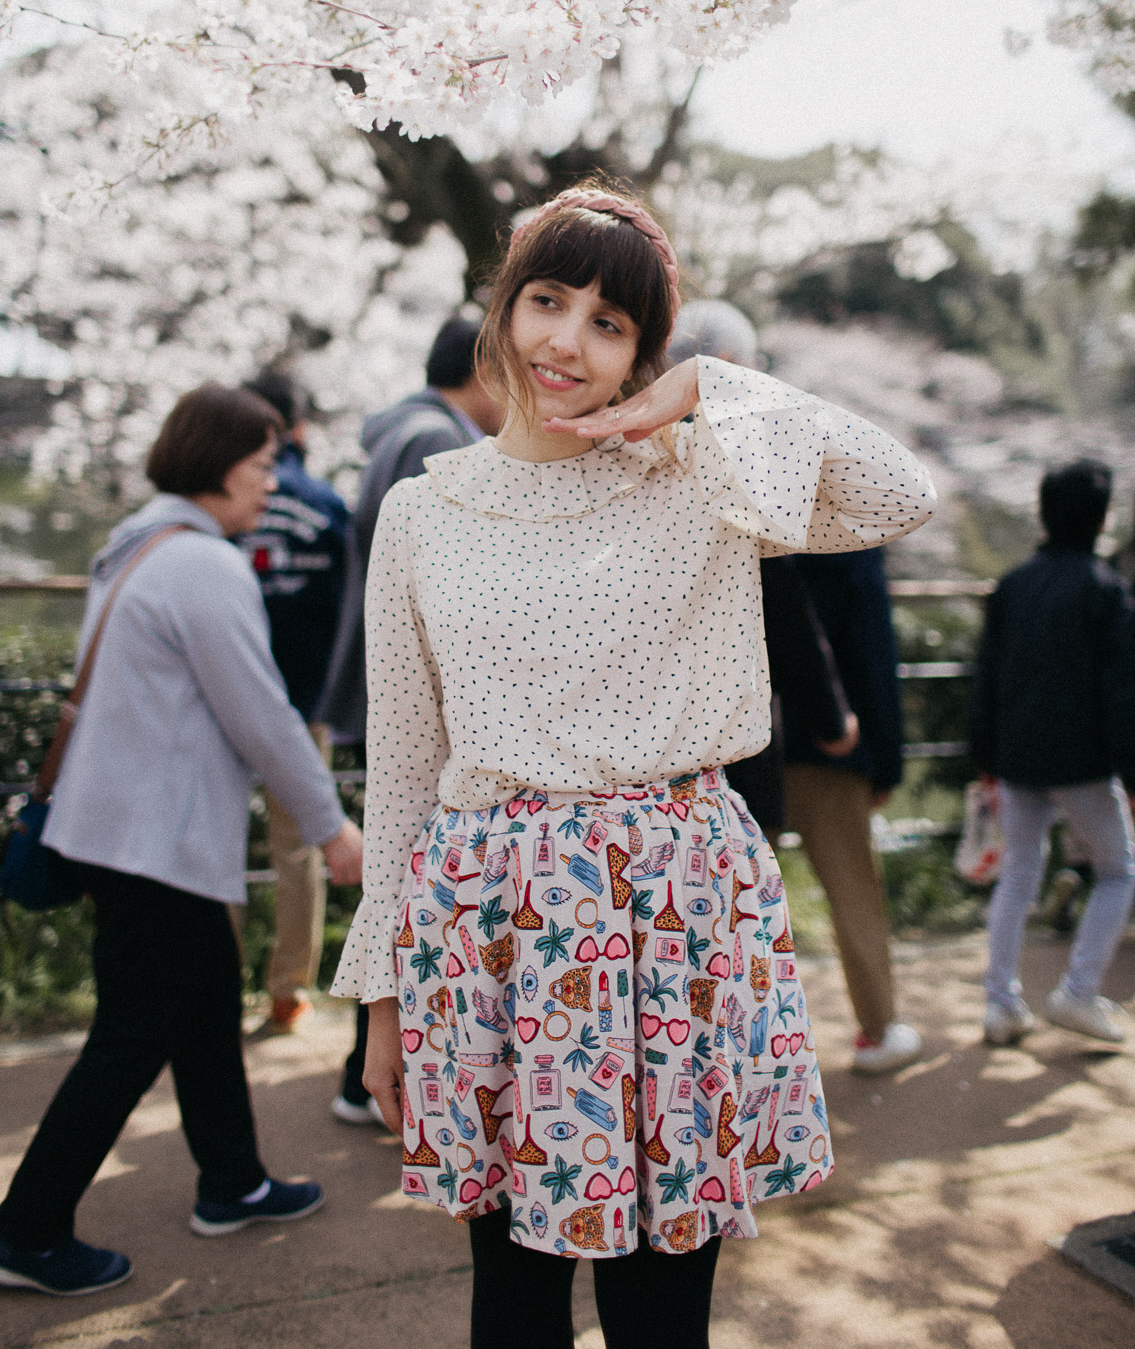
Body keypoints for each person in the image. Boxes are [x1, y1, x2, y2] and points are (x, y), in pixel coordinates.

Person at [332, 183, 936, 1349]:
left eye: (609, 323)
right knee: (511, 1294)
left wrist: (711, 388)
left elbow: (895, 490)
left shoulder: (699, 476)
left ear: (640, 356)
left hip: (680, 914)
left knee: (665, 1303)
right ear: (500, 311)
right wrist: (383, 999)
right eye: (547, 301)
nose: (566, 340)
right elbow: (403, 769)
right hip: (494, 928)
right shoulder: (422, 509)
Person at [0, 385, 363, 1300]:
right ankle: (27, 1228)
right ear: (216, 465)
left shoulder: (136, 543)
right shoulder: (202, 566)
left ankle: (231, 1179)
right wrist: (329, 825)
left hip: (125, 831)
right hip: (153, 842)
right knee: (128, 1038)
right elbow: (266, 717)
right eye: (259, 466)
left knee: (202, 1007)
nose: (270, 484)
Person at [321, 315, 502, 1125]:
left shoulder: (402, 427)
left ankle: (365, 1064)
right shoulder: (431, 445)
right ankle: (371, 1067)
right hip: (406, 688)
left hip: (390, 679)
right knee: (410, 853)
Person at [669, 301, 858, 838]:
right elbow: (783, 608)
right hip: (728, 734)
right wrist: (831, 717)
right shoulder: (738, 459)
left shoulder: (624, 450)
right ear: (726, 363)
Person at [971, 459, 1135, 1047]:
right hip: (1083, 763)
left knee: (1018, 875)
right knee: (1118, 871)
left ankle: (1000, 1003)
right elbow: (1122, 692)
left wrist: (984, 754)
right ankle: (1079, 991)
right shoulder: (1104, 589)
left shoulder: (1014, 584)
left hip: (1016, 759)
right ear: (1101, 517)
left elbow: (984, 674)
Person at [781, 549, 924, 1074]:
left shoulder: (749, 526)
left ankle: (728, 1047)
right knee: (853, 891)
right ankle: (879, 1029)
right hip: (834, 746)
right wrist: (885, 763)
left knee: (733, 904)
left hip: (746, 747)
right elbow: (872, 656)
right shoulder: (850, 545)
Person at [238, 370, 349, 1034]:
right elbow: (348, 604)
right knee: (299, 845)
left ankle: (216, 979)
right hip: (304, 698)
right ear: (301, 428)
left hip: (223, 700)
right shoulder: (327, 503)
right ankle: (289, 989)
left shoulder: (227, 493)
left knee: (218, 841)